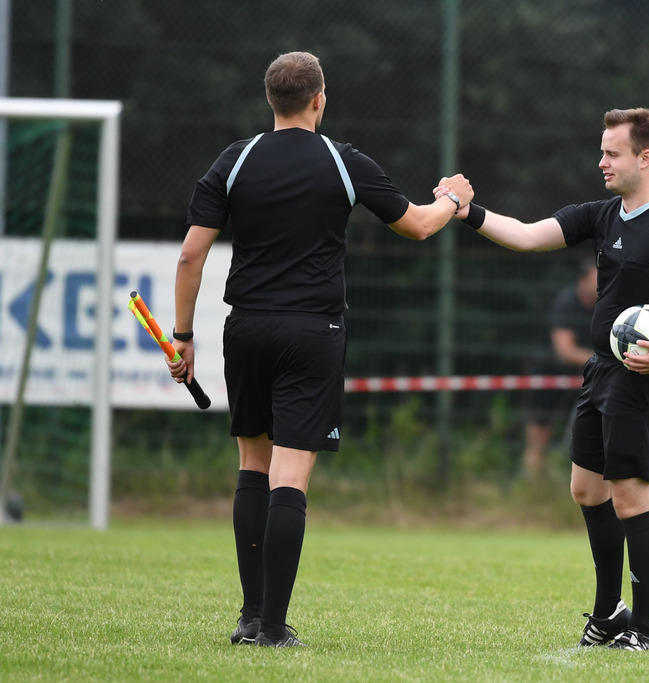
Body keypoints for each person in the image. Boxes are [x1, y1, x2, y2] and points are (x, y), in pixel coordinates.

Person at [167, 51, 473, 647]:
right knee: (291, 475)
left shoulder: (236, 160)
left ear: (270, 100)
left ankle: (251, 618)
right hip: (312, 332)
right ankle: (274, 629)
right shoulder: (341, 159)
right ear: (319, 100)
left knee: (252, 466)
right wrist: (453, 200)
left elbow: (189, 255)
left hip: (247, 328)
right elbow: (415, 225)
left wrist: (183, 337)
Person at [438, 108, 649, 651]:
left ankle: (646, 627)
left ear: (645, 157)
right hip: (601, 372)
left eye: (612, 153)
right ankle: (610, 612)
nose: (602, 161)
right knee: (586, 489)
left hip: (642, 376)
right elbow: (523, 236)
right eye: (603, 151)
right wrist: (468, 212)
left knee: (633, 498)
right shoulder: (602, 215)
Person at [522, 259, 596, 480]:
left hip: (580, 378)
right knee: (539, 438)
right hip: (547, 376)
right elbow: (565, 351)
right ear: (582, 280)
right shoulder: (566, 302)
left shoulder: (604, 307)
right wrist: (605, 361)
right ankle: (532, 489)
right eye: (598, 278)